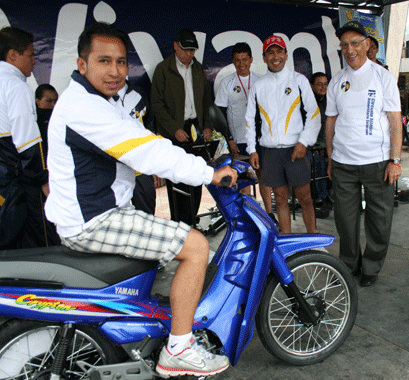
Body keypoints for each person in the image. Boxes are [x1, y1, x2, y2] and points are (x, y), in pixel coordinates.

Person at [45, 22, 236, 377]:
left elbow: (140, 137)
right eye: (104, 61)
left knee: (163, 250)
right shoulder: (84, 108)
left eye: (121, 62)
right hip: (95, 221)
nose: (115, 71)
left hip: (99, 211)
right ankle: (179, 348)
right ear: (82, 64)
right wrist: (209, 173)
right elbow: (146, 151)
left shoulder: (102, 100)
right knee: (195, 246)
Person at [325, 21, 402, 287]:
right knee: (345, 221)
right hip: (344, 163)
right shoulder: (337, 81)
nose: (350, 49)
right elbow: (331, 122)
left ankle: (371, 266)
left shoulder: (383, 77)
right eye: (345, 45)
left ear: (367, 44)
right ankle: (349, 265)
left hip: (378, 163)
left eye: (356, 43)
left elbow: (395, 121)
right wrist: (330, 156)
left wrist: (395, 160)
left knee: (379, 221)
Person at [246, 35, 320, 234]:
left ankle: (313, 242)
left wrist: (304, 142)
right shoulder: (258, 85)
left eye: (279, 52)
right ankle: (286, 242)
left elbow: (314, 115)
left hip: (295, 150)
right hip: (269, 152)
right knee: (279, 198)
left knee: (305, 198)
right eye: (270, 52)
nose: (275, 56)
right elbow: (249, 120)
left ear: (287, 55)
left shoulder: (299, 80)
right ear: (264, 57)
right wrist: (252, 150)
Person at [0, 26, 59, 249]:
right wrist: (43, 180)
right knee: (41, 240)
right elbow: (28, 143)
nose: (34, 61)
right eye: (31, 55)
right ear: (12, 55)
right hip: (19, 180)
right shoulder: (16, 86)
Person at [151, 28, 213, 226]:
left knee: (195, 176)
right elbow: (157, 104)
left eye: (192, 50)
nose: (189, 54)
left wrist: (207, 126)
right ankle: (179, 224)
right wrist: (173, 129)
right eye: (185, 49)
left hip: (196, 129)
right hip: (174, 131)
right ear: (176, 46)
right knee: (177, 180)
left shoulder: (198, 68)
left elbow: (206, 100)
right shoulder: (163, 69)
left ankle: (192, 222)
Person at [214, 43, 278, 224]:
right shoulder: (227, 83)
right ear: (233, 62)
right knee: (244, 179)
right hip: (239, 139)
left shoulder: (261, 81)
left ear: (251, 60)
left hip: (261, 138)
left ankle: (268, 214)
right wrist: (230, 140)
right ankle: (248, 217)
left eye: (244, 59)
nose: (241, 64)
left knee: (263, 176)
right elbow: (220, 114)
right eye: (237, 60)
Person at [118, 80, 157, 215]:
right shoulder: (100, 98)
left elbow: (150, 126)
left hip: (141, 169)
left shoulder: (138, 94)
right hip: (114, 173)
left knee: (147, 215)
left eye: (121, 62)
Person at [309, 71, 331, 208]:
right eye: (319, 84)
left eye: (326, 84)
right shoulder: (308, 102)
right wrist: (318, 146)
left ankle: (331, 195)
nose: (323, 87)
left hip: (328, 143)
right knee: (319, 163)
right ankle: (321, 197)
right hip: (313, 146)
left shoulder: (330, 100)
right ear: (311, 86)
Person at [35, 83, 58, 162]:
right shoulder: (32, 120)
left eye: (55, 101)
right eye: (49, 101)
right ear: (38, 101)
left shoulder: (60, 116)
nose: (53, 105)